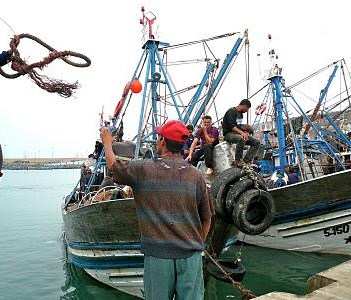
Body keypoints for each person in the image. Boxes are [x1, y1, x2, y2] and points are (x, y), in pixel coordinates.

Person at [100, 120, 212, 300]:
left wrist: (107, 142)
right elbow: (207, 218)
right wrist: (196, 245)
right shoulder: (196, 176)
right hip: (191, 257)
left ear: (161, 140)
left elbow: (113, 166)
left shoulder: (144, 169)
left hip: (159, 257)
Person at [222, 99, 260, 167]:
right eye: (247, 109)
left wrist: (245, 132)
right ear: (244, 106)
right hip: (229, 134)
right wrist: (242, 133)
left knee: (256, 142)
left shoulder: (240, 114)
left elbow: (238, 126)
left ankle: (246, 161)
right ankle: (238, 160)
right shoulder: (231, 111)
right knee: (241, 139)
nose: (247, 111)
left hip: (236, 133)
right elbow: (232, 126)